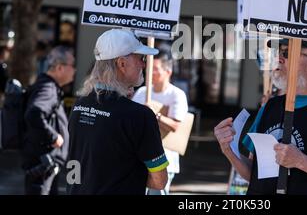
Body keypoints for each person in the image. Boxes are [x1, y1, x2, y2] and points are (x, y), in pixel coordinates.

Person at [214, 39, 307, 195]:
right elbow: (254, 172)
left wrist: (301, 161)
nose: (279, 58)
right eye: (278, 53)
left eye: (287, 53)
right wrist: (229, 150)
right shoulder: (270, 106)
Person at [67, 29, 168, 195]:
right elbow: (160, 180)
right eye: (141, 59)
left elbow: (81, 164)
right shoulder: (140, 115)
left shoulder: (79, 105)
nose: (144, 64)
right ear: (121, 64)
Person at [132, 49, 189, 195]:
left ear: (168, 71)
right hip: (138, 157)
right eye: (149, 68)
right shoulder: (142, 92)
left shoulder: (176, 95)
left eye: (156, 69)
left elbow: (175, 125)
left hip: (164, 158)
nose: (151, 73)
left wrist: (155, 114)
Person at [22, 46, 75, 195]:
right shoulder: (48, 88)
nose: (74, 70)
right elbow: (34, 113)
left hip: (44, 164)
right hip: (42, 165)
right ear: (59, 67)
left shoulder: (47, 86)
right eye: (72, 66)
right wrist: (54, 136)